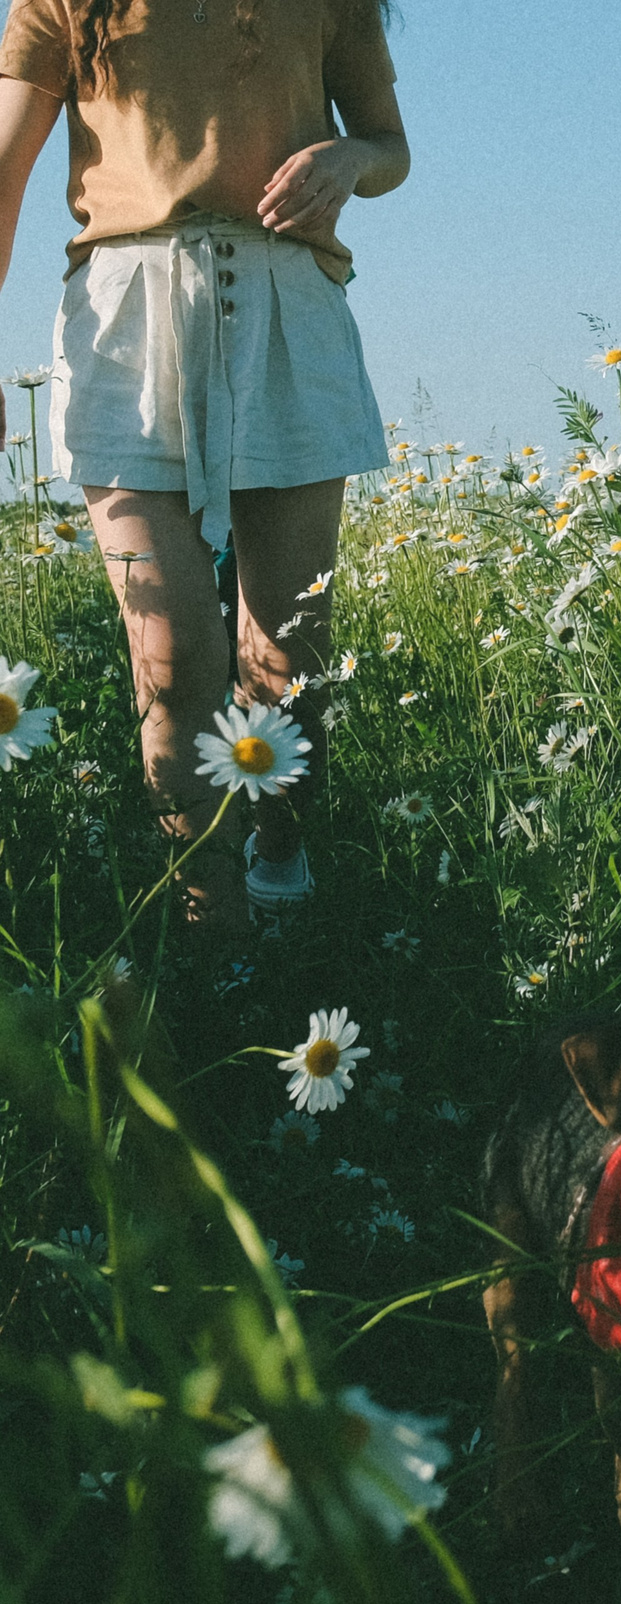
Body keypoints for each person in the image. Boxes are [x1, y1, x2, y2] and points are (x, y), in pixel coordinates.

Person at [0, 0, 406, 936]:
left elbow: (390, 147)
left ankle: (277, 864)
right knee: (173, 657)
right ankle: (210, 930)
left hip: (287, 307)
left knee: (288, 652)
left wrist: (350, 158)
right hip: (123, 322)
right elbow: (6, 168)